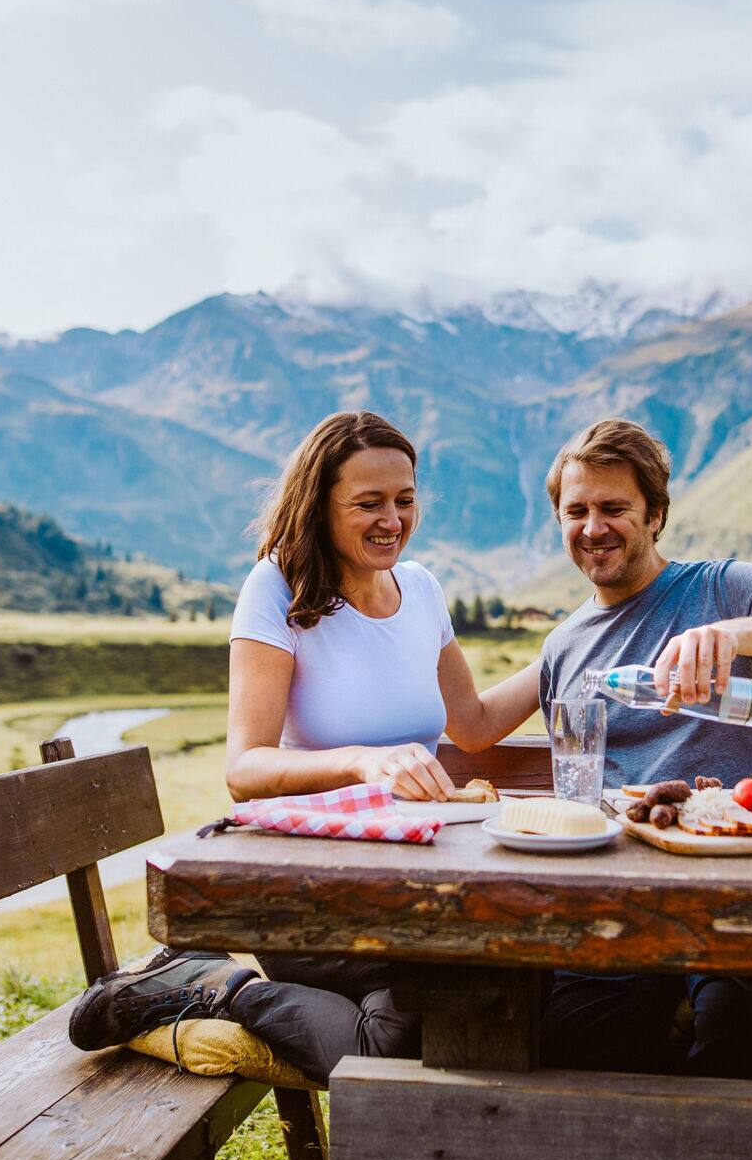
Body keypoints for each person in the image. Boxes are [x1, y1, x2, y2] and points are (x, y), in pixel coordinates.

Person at [69, 410, 538, 1083]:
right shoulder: (278, 587)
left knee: (484, 1000)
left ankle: (244, 989)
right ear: (320, 505)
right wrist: (362, 761)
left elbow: (471, 722)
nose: (393, 520)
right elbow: (245, 767)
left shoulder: (423, 588)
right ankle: (220, 987)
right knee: (400, 1048)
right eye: (368, 503)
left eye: (405, 499)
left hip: (414, 885)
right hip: (314, 889)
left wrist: (558, 660)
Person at [534, 417, 752, 1080]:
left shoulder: (722, 586)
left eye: (614, 508)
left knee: (735, 1034)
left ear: (655, 514)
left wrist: (733, 633)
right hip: (618, 903)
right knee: (575, 1043)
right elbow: (481, 725)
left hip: (744, 891)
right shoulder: (563, 646)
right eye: (577, 510)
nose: (593, 526)